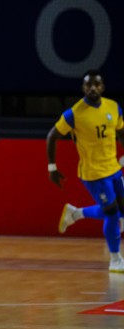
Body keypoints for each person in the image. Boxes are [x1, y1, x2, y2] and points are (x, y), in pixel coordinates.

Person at [47, 70, 124, 272]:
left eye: (96, 85)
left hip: (114, 168)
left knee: (119, 211)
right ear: (83, 88)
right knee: (112, 213)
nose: (92, 88)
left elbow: (121, 132)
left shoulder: (113, 107)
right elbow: (52, 136)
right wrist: (52, 167)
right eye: (88, 85)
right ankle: (115, 259)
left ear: (102, 87)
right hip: (94, 173)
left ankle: (75, 214)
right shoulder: (74, 114)